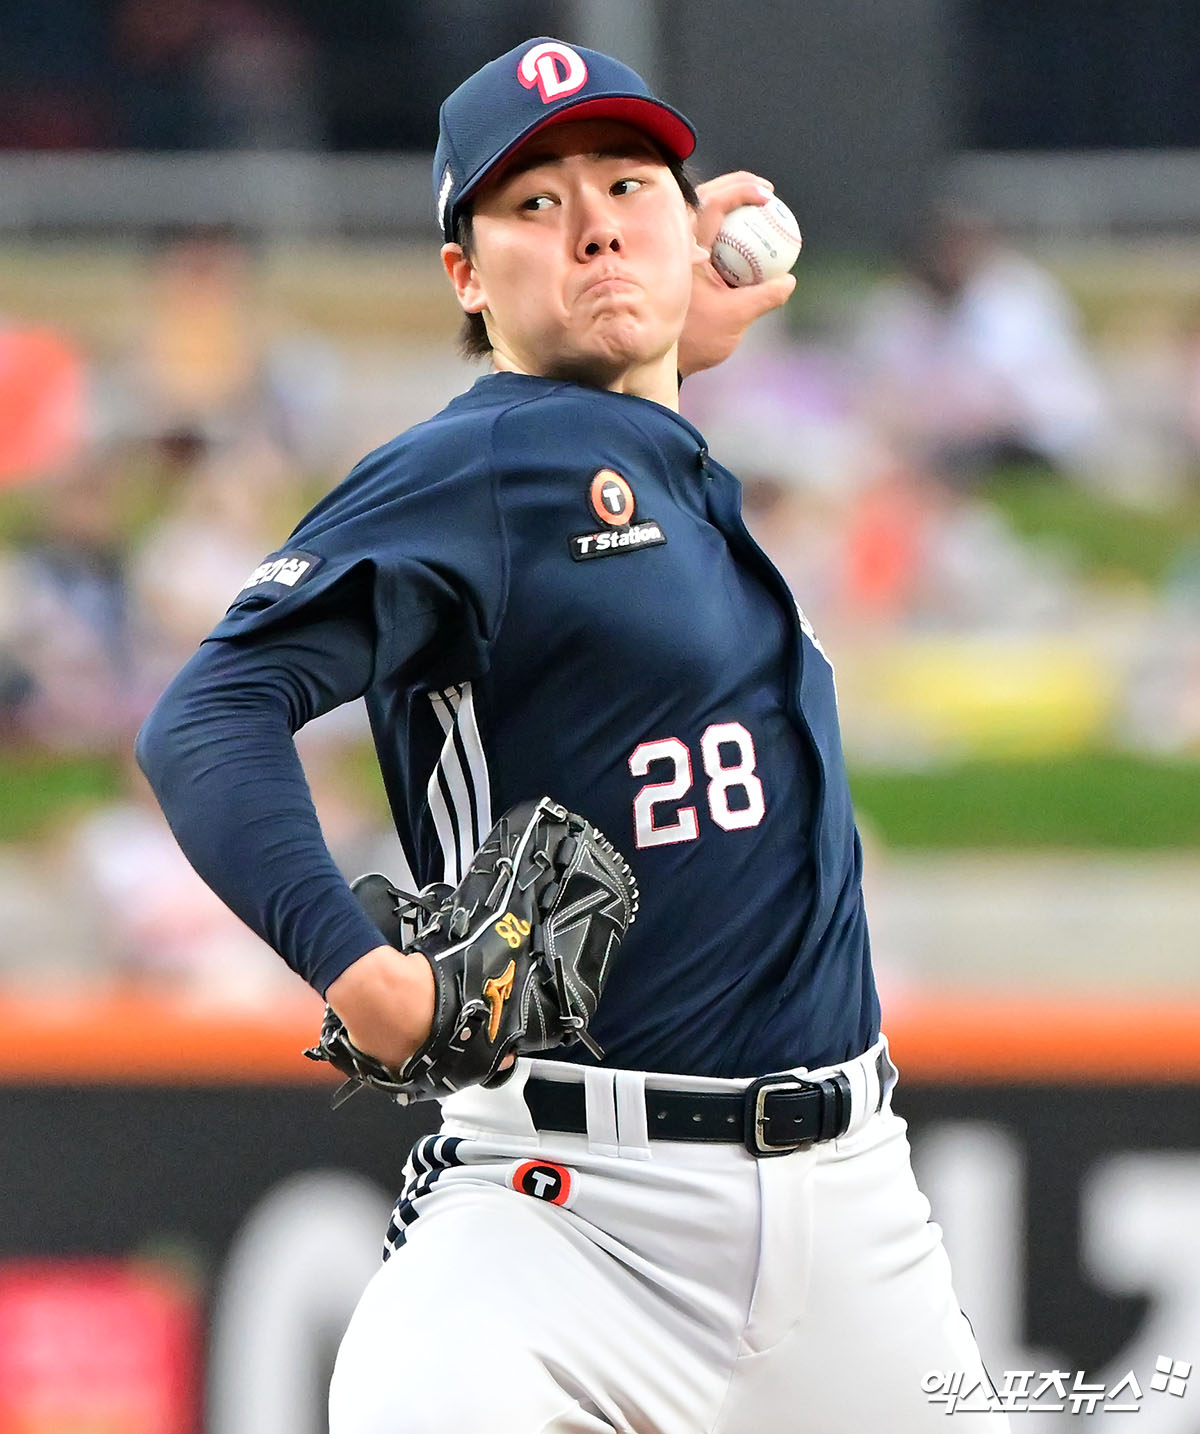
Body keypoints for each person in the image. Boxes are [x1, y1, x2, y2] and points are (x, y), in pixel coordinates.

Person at [136, 37, 1009, 1434]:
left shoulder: (646, 453)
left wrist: (659, 346)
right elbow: (209, 712)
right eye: (535, 203)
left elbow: (601, 480)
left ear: (690, 228)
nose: (593, 221)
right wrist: (358, 969)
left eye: (627, 185)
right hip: (562, 1217)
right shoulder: (484, 461)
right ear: (466, 277)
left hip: (857, 1218)